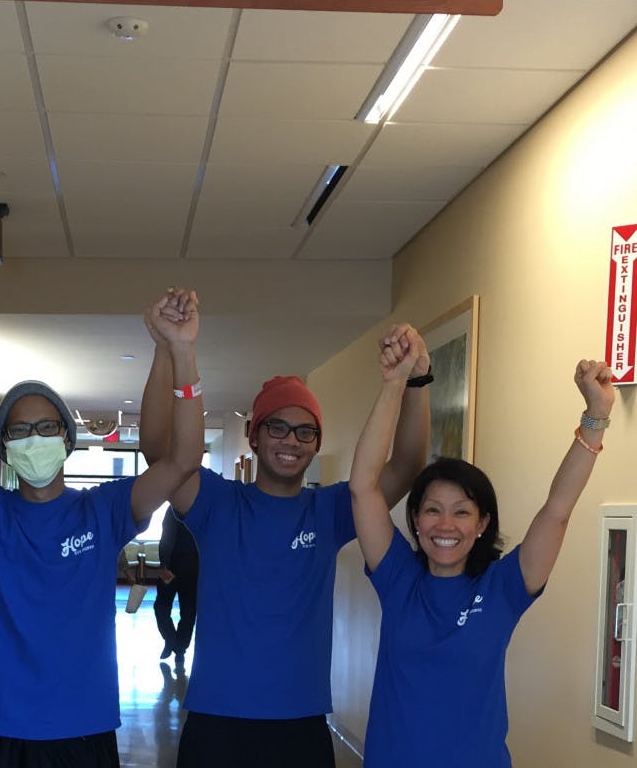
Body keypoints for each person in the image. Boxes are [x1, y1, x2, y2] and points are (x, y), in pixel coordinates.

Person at [0, 286, 206, 768]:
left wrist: (178, 351)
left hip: (84, 728)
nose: (33, 438)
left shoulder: (103, 510)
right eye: (19, 430)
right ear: (5, 448)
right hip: (2, 730)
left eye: (45, 427)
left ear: (66, 438)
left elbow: (182, 459)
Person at [139, 288, 431, 768]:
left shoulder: (329, 510)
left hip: (300, 724)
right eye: (277, 427)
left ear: (316, 443)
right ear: (254, 436)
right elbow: (157, 448)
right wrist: (170, 350)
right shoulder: (217, 503)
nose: (291, 441)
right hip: (216, 722)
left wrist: (416, 380)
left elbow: (407, 465)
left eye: (305, 431)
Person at [350, 337, 616, 768]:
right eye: (432, 510)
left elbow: (557, 511)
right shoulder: (398, 578)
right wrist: (394, 384)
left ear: (482, 524)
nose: (446, 525)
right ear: (415, 519)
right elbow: (363, 487)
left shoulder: (503, 588)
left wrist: (595, 417)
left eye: (462, 512)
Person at [153, 507, 198, 669]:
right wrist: (164, 565)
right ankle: (171, 640)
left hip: (192, 571)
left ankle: (179, 649)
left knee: (188, 612)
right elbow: (166, 536)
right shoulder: (173, 510)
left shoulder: (202, 509)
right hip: (170, 569)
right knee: (161, 608)